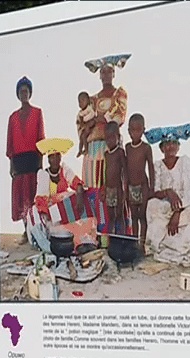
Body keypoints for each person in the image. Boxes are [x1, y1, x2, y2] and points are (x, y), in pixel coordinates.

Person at [144, 124, 190, 266]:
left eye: (173, 144)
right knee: (152, 206)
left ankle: (184, 245)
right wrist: (168, 193)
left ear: (178, 147)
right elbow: (155, 191)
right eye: (166, 144)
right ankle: (164, 243)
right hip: (166, 207)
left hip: (186, 205)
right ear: (161, 148)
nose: (170, 147)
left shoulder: (184, 161)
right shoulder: (157, 165)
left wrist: (177, 212)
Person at [28, 138, 99, 250]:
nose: (55, 160)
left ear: (60, 158)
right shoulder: (43, 175)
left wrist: (79, 195)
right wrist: (50, 214)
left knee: (83, 202)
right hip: (51, 211)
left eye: (57, 156)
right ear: (49, 159)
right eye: (52, 157)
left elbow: (77, 184)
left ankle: (84, 242)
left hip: (66, 208)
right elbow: (41, 200)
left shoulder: (65, 170)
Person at [80, 55, 130, 189]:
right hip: (92, 146)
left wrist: (100, 119)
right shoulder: (92, 99)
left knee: (111, 185)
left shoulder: (119, 94)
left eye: (109, 71)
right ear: (99, 75)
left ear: (113, 74)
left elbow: (120, 116)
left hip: (111, 145)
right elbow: (82, 121)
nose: (106, 75)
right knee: (92, 186)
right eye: (103, 72)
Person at [6, 76, 45, 244]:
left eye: (26, 91)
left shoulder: (37, 113)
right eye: (21, 92)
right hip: (18, 161)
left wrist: (41, 164)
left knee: (33, 198)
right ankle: (25, 231)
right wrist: (11, 165)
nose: (24, 94)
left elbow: (41, 138)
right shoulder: (12, 117)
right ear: (18, 94)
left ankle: (34, 231)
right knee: (21, 199)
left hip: (33, 159)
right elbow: (10, 143)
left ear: (30, 93)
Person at [125, 113, 155, 246]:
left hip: (143, 186)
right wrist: (125, 188)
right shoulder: (127, 148)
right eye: (132, 130)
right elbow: (125, 169)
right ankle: (134, 243)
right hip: (131, 187)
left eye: (138, 130)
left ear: (143, 130)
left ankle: (141, 245)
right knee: (134, 217)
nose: (135, 133)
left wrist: (151, 189)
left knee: (142, 217)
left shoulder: (146, 148)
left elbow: (151, 168)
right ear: (128, 131)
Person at [103, 122, 128, 235]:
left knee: (120, 215)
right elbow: (105, 172)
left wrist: (124, 189)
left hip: (118, 189)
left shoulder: (120, 152)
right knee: (111, 216)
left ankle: (121, 237)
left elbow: (125, 171)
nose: (109, 141)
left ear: (118, 137)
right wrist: (103, 188)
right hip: (109, 189)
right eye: (107, 138)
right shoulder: (106, 154)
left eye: (112, 138)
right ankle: (110, 238)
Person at [76, 91, 96, 157]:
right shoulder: (80, 112)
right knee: (81, 138)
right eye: (79, 101)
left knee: (84, 136)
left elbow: (92, 115)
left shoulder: (89, 109)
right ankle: (80, 150)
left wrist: (84, 120)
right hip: (83, 127)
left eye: (83, 100)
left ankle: (86, 149)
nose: (81, 103)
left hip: (89, 124)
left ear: (87, 101)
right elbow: (78, 120)